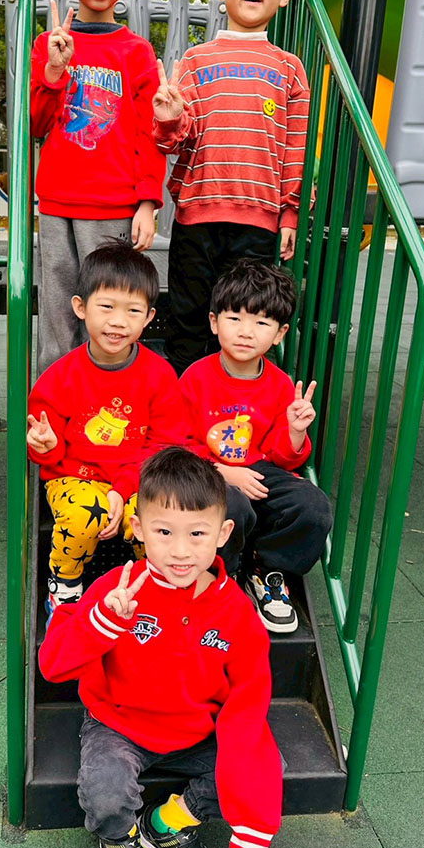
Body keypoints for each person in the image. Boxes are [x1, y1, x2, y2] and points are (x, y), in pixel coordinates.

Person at [39, 446, 282, 848]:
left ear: (223, 533)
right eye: (164, 531)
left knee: (262, 766)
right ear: (138, 528)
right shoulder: (117, 588)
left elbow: (249, 696)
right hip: (118, 725)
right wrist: (103, 623)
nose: (180, 551)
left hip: (195, 730)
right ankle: (119, 845)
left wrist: (251, 801)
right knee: (106, 792)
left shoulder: (237, 612)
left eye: (197, 533)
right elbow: (53, 665)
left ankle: (166, 824)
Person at [152, 0, 310, 377]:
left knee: (244, 320)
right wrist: (169, 117)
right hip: (197, 217)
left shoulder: (290, 69)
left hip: (258, 222)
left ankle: (236, 406)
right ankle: (184, 405)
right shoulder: (196, 61)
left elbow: (294, 148)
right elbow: (174, 140)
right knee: (188, 317)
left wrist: (290, 214)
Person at [31, 0, 167, 375]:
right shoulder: (50, 45)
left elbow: (149, 134)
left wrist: (148, 203)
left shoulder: (136, 53)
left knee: (109, 311)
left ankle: (107, 401)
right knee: (57, 311)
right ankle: (49, 409)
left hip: (112, 207)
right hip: (57, 204)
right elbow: (36, 124)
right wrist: (54, 71)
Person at [27, 240, 187, 616]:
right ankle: (65, 584)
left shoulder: (159, 375)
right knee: (85, 515)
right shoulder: (60, 378)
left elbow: (164, 445)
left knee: (162, 514)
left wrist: (122, 489)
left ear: (149, 317)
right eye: (107, 307)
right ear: (80, 307)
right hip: (75, 476)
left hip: (137, 477)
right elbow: (47, 450)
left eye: (133, 310)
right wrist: (45, 445)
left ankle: (158, 583)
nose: (118, 321)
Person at [180, 259, 333, 634]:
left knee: (313, 506)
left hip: (261, 471)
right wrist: (221, 471)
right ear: (214, 322)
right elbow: (178, 443)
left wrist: (295, 431)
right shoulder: (195, 378)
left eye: (262, 323)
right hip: (208, 470)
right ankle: (221, 578)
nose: (246, 332)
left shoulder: (280, 384)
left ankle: (267, 570)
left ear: (280, 334)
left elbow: (283, 458)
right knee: (230, 505)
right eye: (235, 319)